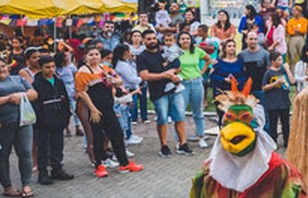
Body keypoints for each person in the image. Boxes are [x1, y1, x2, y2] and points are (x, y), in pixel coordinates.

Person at [77, 45, 144, 178]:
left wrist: (114, 81)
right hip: (94, 109)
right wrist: (93, 109)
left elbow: (119, 80)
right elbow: (82, 93)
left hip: (108, 107)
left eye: (96, 54)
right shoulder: (83, 72)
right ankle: (99, 165)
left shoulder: (105, 69)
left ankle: (124, 163)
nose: (94, 57)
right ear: (86, 57)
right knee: (97, 137)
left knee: (117, 134)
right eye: (91, 55)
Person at [0, 56, 38, 198]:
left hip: (23, 122)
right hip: (0, 125)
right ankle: (7, 186)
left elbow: (33, 94)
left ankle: (26, 184)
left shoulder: (18, 79)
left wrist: (22, 95)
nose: (1, 70)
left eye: (3, 66)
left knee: (25, 152)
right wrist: (7, 99)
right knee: (2, 154)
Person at [136, 29, 190, 157]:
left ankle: (183, 143)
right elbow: (144, 76)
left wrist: (173, 73)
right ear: (143, 41)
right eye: (148, 39)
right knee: (162, 119)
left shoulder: (165, 51)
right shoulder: (142, 57)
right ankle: (164, 145)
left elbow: (179, 66)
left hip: (175, 89)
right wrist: (164, 75)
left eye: (154, 38)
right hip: (158, 92)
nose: (152, 41)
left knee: (180, 116)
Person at [31, 55, 74, 184]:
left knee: (57, 145)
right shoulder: (36, 84)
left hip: (58, 118)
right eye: (47, 67)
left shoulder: (59, 82)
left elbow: (65, 99)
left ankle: (57, 169)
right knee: (43, 147)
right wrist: (40, 119)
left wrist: (66, 116)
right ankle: (43, 172)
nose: (50, 70)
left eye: (52, 67)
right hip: (44, 121)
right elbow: (36, 104)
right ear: (41, 68)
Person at [176, 31, 211, 148]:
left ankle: (201, 136)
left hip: (196, 82)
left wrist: (202, 71)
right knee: (180, 112)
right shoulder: (176, 52)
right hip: (182, 83)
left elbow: (208, 59)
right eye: (183, 39)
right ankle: (180, 140)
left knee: (198, 111)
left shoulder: (197, 51)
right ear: (179, 41)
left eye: (187, 38)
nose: (185, 41)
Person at [261, 51, 293, 146]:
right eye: (279, 60)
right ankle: (273, 142)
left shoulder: (283, 71)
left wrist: (287, 69)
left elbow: (292, 81)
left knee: (286, 123)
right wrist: (275, 84)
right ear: (273, 61)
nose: (281, 61)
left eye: (281, 59)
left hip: (284, 101)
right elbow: (264, 87)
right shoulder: (268, 73)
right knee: (273, 124)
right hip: (273, 102)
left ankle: (287, 141)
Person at [285, 5, 308, 70]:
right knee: (292, 57)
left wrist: (297, 30)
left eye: (295, 10)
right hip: (292, 38)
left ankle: (304, 71)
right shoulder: (290, 21)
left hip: (301, 38)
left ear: (299, 12)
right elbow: (289, 31)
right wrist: (298, 30)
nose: (293, 12)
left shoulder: (304, 20)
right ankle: (293, 73)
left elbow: (304, 30)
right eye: (293, 10)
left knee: (302, 55)